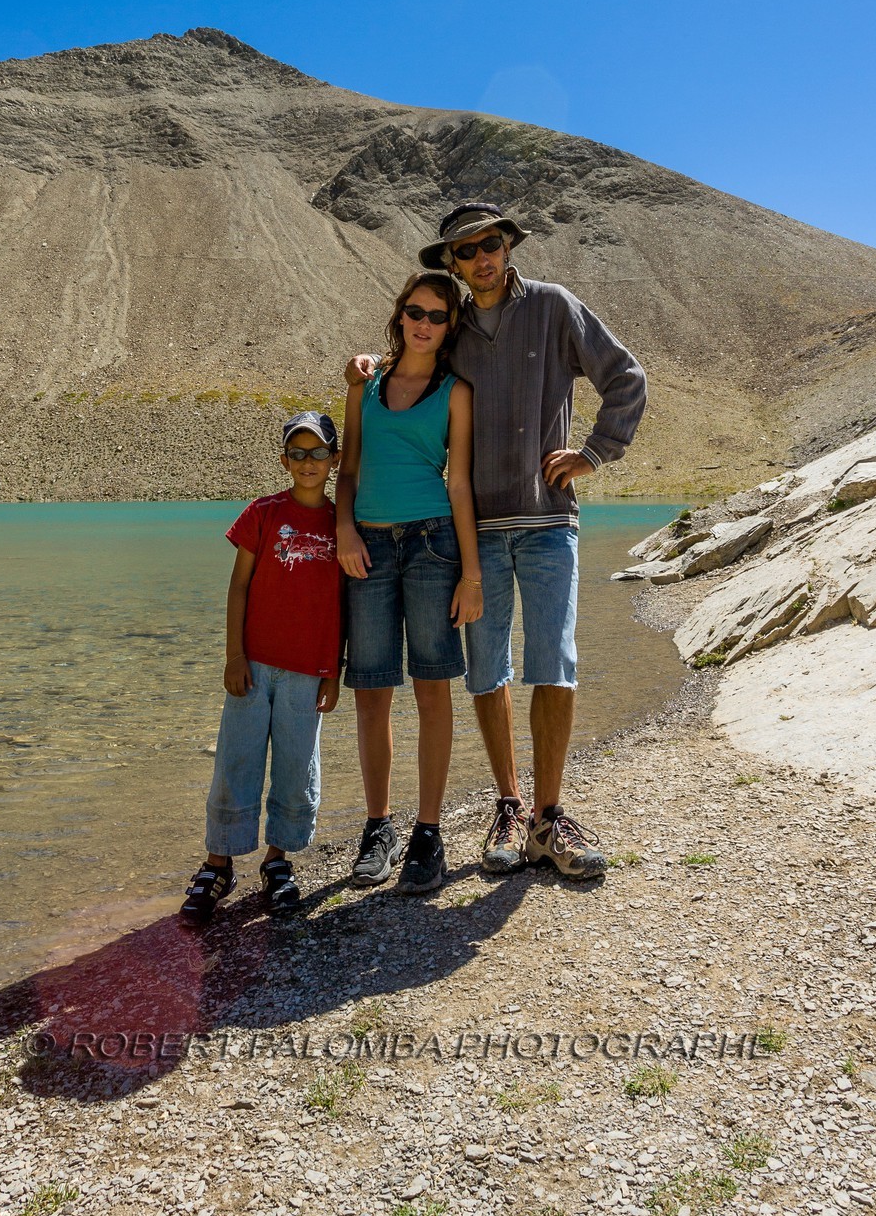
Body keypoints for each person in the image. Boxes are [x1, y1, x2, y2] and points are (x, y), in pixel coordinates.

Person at [346, 202, 646, 880]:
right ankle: (508, 806)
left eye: (490, 244)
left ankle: (548, 817)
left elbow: (626, 378)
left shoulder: (553, 306)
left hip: (546, 520)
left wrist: (594, 453)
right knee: (486, 669)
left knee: (553, 663)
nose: (481, 257)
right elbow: (409, 365)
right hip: (473, 533)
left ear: (508, 246)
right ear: (452, 264)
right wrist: (362, 367)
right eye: (466, 250)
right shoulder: (452, 330)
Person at [336, 271, 483, 894]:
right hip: (367, 547)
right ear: (400, 315)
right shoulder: (365, 384)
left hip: (432, 544)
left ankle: (428, 833)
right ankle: (378, 828)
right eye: (415, 311)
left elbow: (459, 483)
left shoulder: (456, 392)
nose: (424, 324)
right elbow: (348, 468)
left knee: (431, 688)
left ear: (451, 327)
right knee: (371, 691)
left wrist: (471, 574)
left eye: (438, 316)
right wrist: (344, 529)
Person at [180, 411, 342, 920]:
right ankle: (218, 863)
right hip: (253, 667)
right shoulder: (263, 512)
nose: (308, 462)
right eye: (297, 453)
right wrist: (234, 655)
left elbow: (342, 603)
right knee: (236, 761)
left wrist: (333, 671)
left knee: (297, 766)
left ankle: (278, 861)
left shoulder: (342, 523)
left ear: (334, 460)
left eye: (319, 453)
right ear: (284, 460)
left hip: (308, 671)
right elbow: (239, 586)